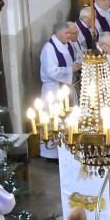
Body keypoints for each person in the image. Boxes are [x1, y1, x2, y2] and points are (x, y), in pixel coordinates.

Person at [39, 22, 79, 158]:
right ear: (58, 34)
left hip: (66, 87)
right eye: (67, 33)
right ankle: (52, 154)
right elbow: (51, 71)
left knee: (68, 119)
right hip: (54, 90)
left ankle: (68, 149)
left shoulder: (67, 45)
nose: (69, 36)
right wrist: (70, 69)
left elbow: (74, 58)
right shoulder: (49, 48)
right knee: (54, 120)